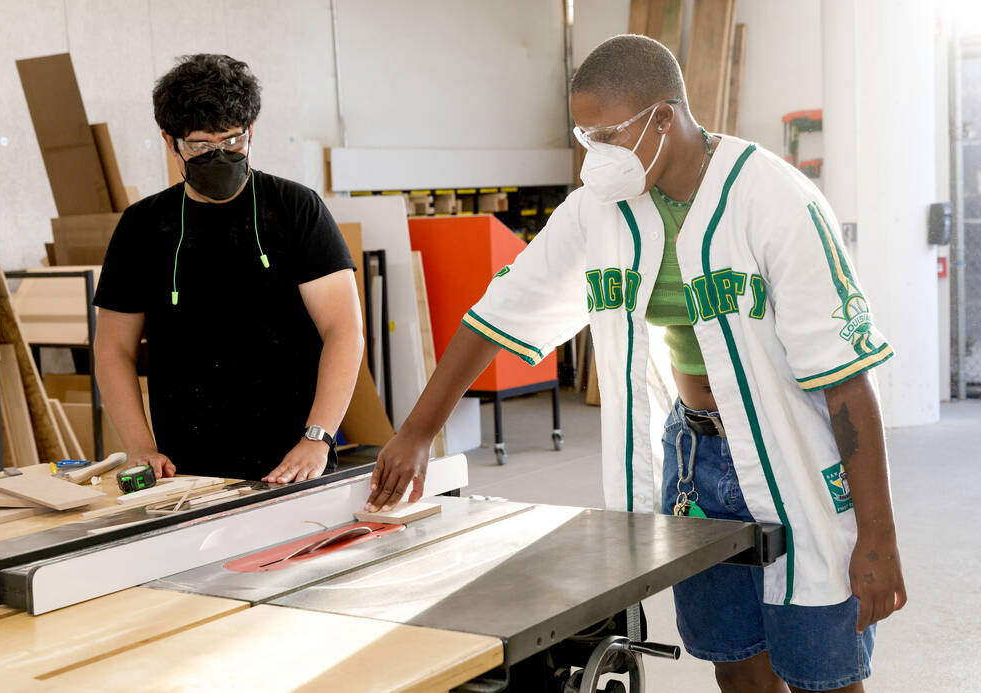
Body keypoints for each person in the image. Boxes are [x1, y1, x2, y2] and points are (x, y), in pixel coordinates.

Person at [366, 35, 905, 692]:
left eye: (606, 135)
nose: (595, 156)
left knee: (823, 666)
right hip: (695, 458)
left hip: (792, 453)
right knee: (733, 660)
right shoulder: (603, 209)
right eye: (584, 136)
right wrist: (419, 430)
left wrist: (878, 536)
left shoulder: (775, 199)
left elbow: (847, 379)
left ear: (663, 117)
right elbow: (501, 309)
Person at [93, 54, 363, 485]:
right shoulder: (143, 227)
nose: (219, 156)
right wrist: (140, 446)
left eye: (232, 141)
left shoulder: (296, 209)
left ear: (251, 131)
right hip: (185, 470)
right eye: (201, 147)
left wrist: (318, 437)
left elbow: (344, 331)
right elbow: (113, 350)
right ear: (170, 140)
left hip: (293, 460)